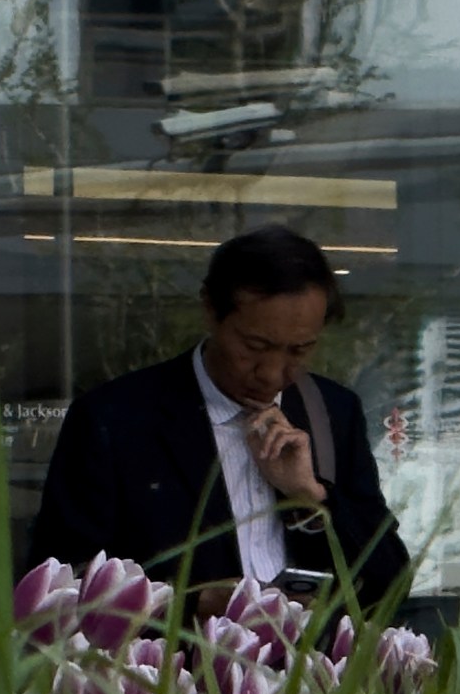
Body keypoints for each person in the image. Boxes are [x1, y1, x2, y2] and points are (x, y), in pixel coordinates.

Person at [29, 225, 409, 614]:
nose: (272, 373)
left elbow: (391, 581)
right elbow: (63, 582)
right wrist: (195, 603)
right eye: (254, 347)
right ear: (210, 310)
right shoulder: (115, 418)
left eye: (300, 350)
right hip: (173, 667)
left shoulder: (331, 412)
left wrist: (310, 496)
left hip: (308, 667)